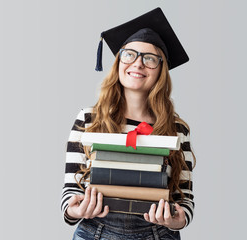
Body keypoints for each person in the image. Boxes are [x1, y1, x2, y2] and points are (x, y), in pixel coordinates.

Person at [61, 8, 196, 240]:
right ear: (119, 62)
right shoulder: (88, 119)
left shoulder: (176, 129)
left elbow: (184, 198)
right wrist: (75, 209)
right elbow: (71, 190)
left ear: (161, 70)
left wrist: (177, 219)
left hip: (158, 234)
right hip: (95, 232)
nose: (138, 64)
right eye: (129, 54)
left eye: (150, 58)